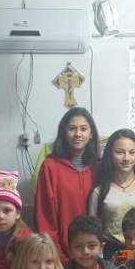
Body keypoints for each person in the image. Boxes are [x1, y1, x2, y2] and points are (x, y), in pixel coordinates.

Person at [34, 107, 100, 260]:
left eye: (83, 129)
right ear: (64, 132)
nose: (77, 134)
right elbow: (44, 218)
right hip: (63, 255)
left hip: (96, 254)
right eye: (72, 128)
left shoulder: (99, 167)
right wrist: (58, 256)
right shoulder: (50, 166)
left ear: (91, 134)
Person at [88, 129, 135, 242]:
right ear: (110, 154)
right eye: (120, 152)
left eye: (132, 152)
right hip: (110, 254)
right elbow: (92, 231)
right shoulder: (99, 191)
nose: (126, 158)